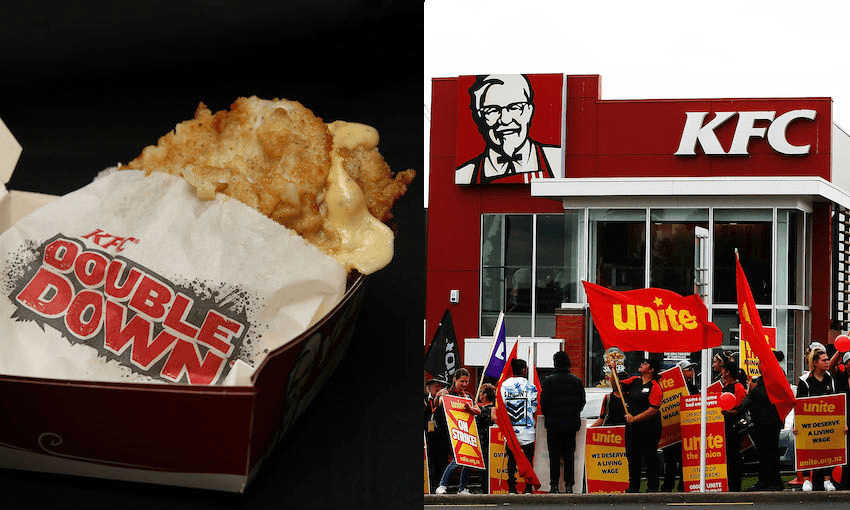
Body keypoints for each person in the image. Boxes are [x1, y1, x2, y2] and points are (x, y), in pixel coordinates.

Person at [455, 74, 560, 185]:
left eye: (515, 107)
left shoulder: (556, 160)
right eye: (492, 110)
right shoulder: (466, 174)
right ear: (480, 118)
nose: (505, 120)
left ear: (529, 111)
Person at [541, 351, 586, 493]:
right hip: (571, 424)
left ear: (555, 363)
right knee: (569, 456)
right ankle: (569, 485)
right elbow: (582, 402)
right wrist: (573, 413)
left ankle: (554, 485)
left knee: (554, 456)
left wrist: (549, 414)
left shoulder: (549, 380)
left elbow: (544, 403)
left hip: (554, 424)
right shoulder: (577, 381)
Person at [740, 351, 785, 492]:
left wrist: (754, 390)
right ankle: (764, 481)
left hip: (770, 422)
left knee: (770, 452)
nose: (758, 365)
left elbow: (772, 397)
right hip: (760, 422)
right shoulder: (761, 378)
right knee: (763, 454)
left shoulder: (776, 375)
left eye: (760, 362)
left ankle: (775, 482)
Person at [795, 348, 838, 492]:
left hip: (826, 422)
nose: (827, 363)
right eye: (824, 360)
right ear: (814, 363)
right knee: (808, 450)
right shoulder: (805, 381)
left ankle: (827, 480)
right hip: (809, 423)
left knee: (827, 449)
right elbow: (799, 404)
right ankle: (807, 481)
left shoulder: (830, 378)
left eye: (827, 360)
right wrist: (796, 425)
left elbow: (835, 401)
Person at [621, 355, 664, 493]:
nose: (642, 364)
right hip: (633, 428)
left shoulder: (655, 387)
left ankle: (652, 487)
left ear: (651, 370)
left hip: (649, 428)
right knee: (632, 457)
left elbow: (653, 410)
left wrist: (635, 418)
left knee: (649, 456)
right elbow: (617, 385)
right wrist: (613, 371)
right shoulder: (634, 381)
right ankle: (633, 486)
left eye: (645, 364)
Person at [434, 368, 481, 495]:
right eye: (462, 381)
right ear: (455, 380)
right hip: (453, 431)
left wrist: (470, 408)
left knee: (469, 460)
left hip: (468, 431)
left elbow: (478, 411)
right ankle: (442, 485)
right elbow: (437, 404)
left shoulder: (468, 396)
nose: (464, 384)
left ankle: (462, 488)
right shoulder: (447, 393)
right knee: (457, 459)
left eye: (467, 382)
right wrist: (440, 396)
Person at [500, 358, 539, 494]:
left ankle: (512, 488)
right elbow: (534, 408)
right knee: (527, 461)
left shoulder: (503, 386)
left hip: (511, 431)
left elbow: (501, 407)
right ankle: (528, 488)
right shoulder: (530, 386)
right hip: (527, 431)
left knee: (511, 460)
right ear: (524, 370)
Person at [661, 360, 698, 492]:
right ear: (681, 372)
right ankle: (667, 487)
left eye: (693, 369)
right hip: (672, 430)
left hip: (686, 431)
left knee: (685, 461)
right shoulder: (668, 388)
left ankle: (683, 486)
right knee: (670, 462)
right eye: (689, 369)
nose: (692, 372)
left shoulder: (693, 388)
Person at [720, 360, 747, 492]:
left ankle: (735, 486)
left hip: (734, 428)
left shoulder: (739, 388)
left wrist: (727, 412)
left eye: (723, 369)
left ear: (728, 372)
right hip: (724, 427)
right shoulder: (725, 387)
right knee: (728, 458)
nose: (721, 372)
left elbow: (739, 409)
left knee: (734, 457)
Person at [829, 347, 850, 489]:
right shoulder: (840, 376)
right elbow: (830, 366)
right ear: (845, 363)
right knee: (844, 453)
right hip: (843, 419)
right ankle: (845, 481)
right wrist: (840, 349)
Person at [425, 376, 450, 492]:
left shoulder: (445, 400)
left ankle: (441, 485)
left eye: (440, 387)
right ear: (429, 388)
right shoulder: (424, 399)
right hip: (428, 437)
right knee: (430, 462)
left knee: (442, 461)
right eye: (436, 386)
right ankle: (431, 485)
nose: (438, 389)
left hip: (442, 437)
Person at [473, 383, 497, 493]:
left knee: (484, 465)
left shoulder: (487, 408)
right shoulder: (490, 408)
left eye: (481, 393)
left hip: (485, 439)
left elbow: (493, 419)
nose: (480, 395)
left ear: (485, 395)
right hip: (484, 439)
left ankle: (485, 488)